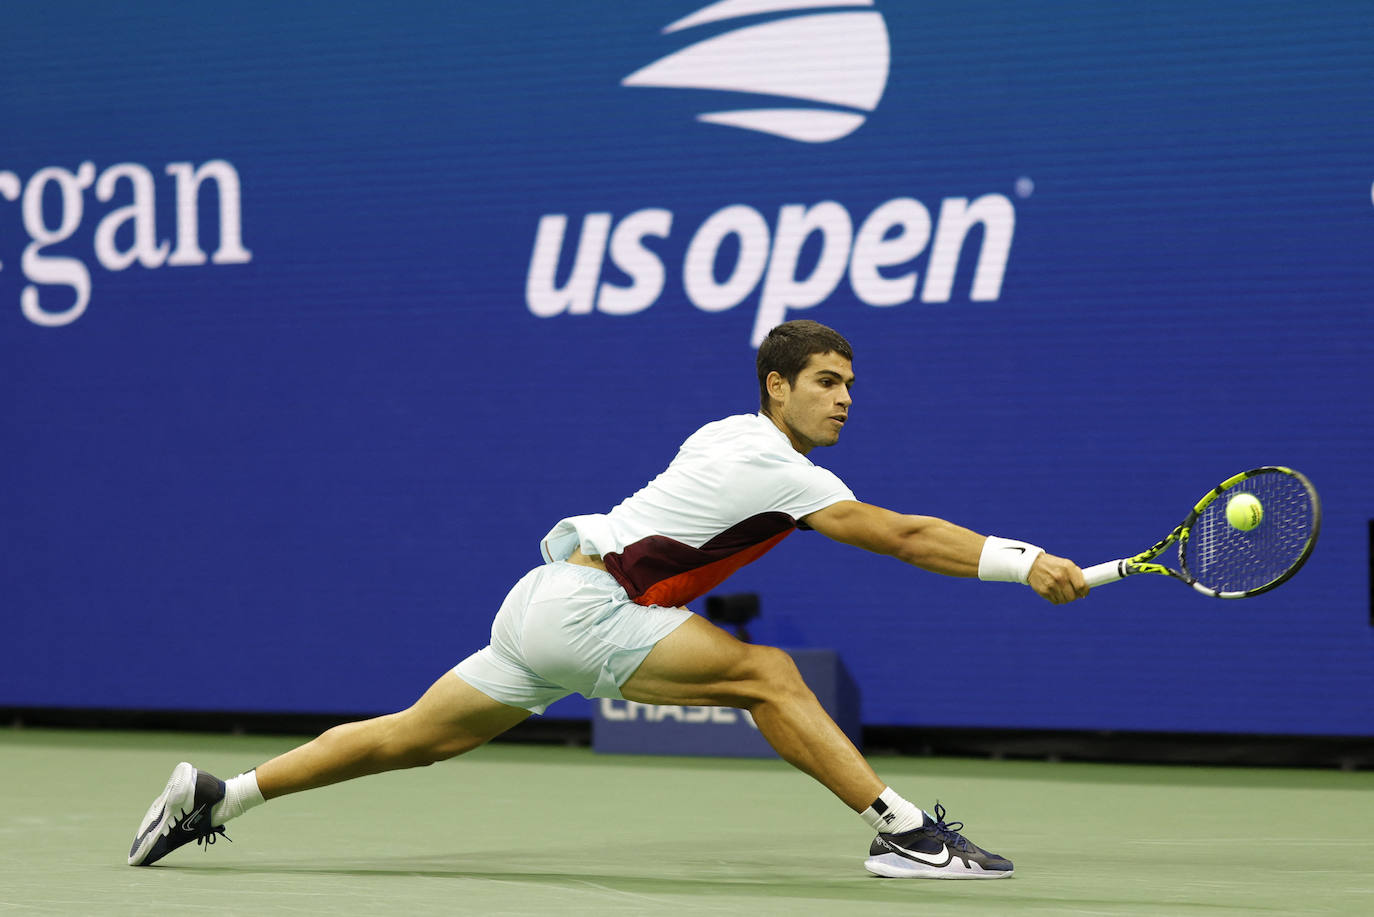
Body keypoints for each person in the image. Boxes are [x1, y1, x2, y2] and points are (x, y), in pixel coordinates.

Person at [128, 319, 1089, 877]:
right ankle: (906, 834)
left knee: (413, 736)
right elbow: (906, 536)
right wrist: (1024, 558)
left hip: (542, 600)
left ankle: (223, 794)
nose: (844, 399)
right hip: (593, 609)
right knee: (769, 674)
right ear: (777, 387)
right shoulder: (772, 461)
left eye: (851, 385)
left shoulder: (730, 437)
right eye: (826, 383)